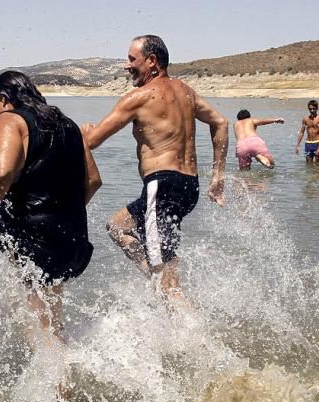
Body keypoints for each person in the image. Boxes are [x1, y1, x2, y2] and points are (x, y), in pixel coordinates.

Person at [0, 71, 102, 385]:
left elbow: (1, 173)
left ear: (4, 100)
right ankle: (65, 385)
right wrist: (63, 215)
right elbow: (93, 181)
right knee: (51, 322)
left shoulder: (10, 119)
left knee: (38, 328)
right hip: (71, 238)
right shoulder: (67, 124)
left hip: (34, 240)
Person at [83, 34, 227, 307]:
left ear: (151, 61)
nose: (127, 66)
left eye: (131, 59)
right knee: (117, 227)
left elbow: (92, 141)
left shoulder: (138, 97)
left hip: (160, 186)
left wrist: (86, 130)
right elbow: (220, 122)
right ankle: (156, 277)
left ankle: (191, 335)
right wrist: (218, 175)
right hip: (188, 187)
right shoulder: (186, 91)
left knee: (167, 277)